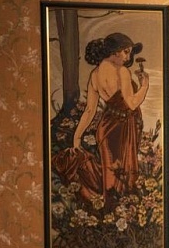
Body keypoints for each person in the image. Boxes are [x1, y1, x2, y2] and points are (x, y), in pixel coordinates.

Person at [57, 32, 149, 203]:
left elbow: (89, 111)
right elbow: (131, 104)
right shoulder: (122, 71)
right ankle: (119, 209)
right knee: (122, 175)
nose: (128, 57)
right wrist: (144, 86)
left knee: (110, 173)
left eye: (129, 53)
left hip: (105, 129)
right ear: (115, 51)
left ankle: (110, 208)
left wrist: (77, 137)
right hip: (122, 129)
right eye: (126, 52)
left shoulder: (95, 74)